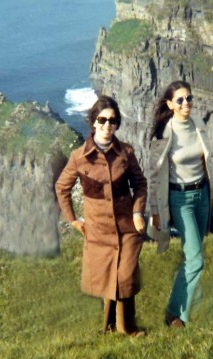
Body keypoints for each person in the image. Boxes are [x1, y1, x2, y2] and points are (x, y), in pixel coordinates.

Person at [55, 95, 147, 337]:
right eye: (102, 120)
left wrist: (138, 212)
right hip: (98, 231)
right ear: (93, 122)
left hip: (127, 227)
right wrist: (73, 219)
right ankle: (110, 326)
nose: (108, 125)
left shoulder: (126, 152)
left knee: (125, 276)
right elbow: (61, 187)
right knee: (109, 279)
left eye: (113, 121)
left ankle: (127, 328)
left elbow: (140, 184)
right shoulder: (78, 157)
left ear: (117, 124)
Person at [147, 81, 213, 328]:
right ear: (170, 104)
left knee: (193, 256)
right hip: (180, 199)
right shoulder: (165, 133)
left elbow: (206, 160)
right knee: (196, 259)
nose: (186, 103)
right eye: (180, 100)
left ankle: (187, 303)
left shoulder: (198, 124)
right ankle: (176, 314)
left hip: (201, 195)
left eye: (189, 98)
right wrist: (154, 211)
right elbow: (154, 174)